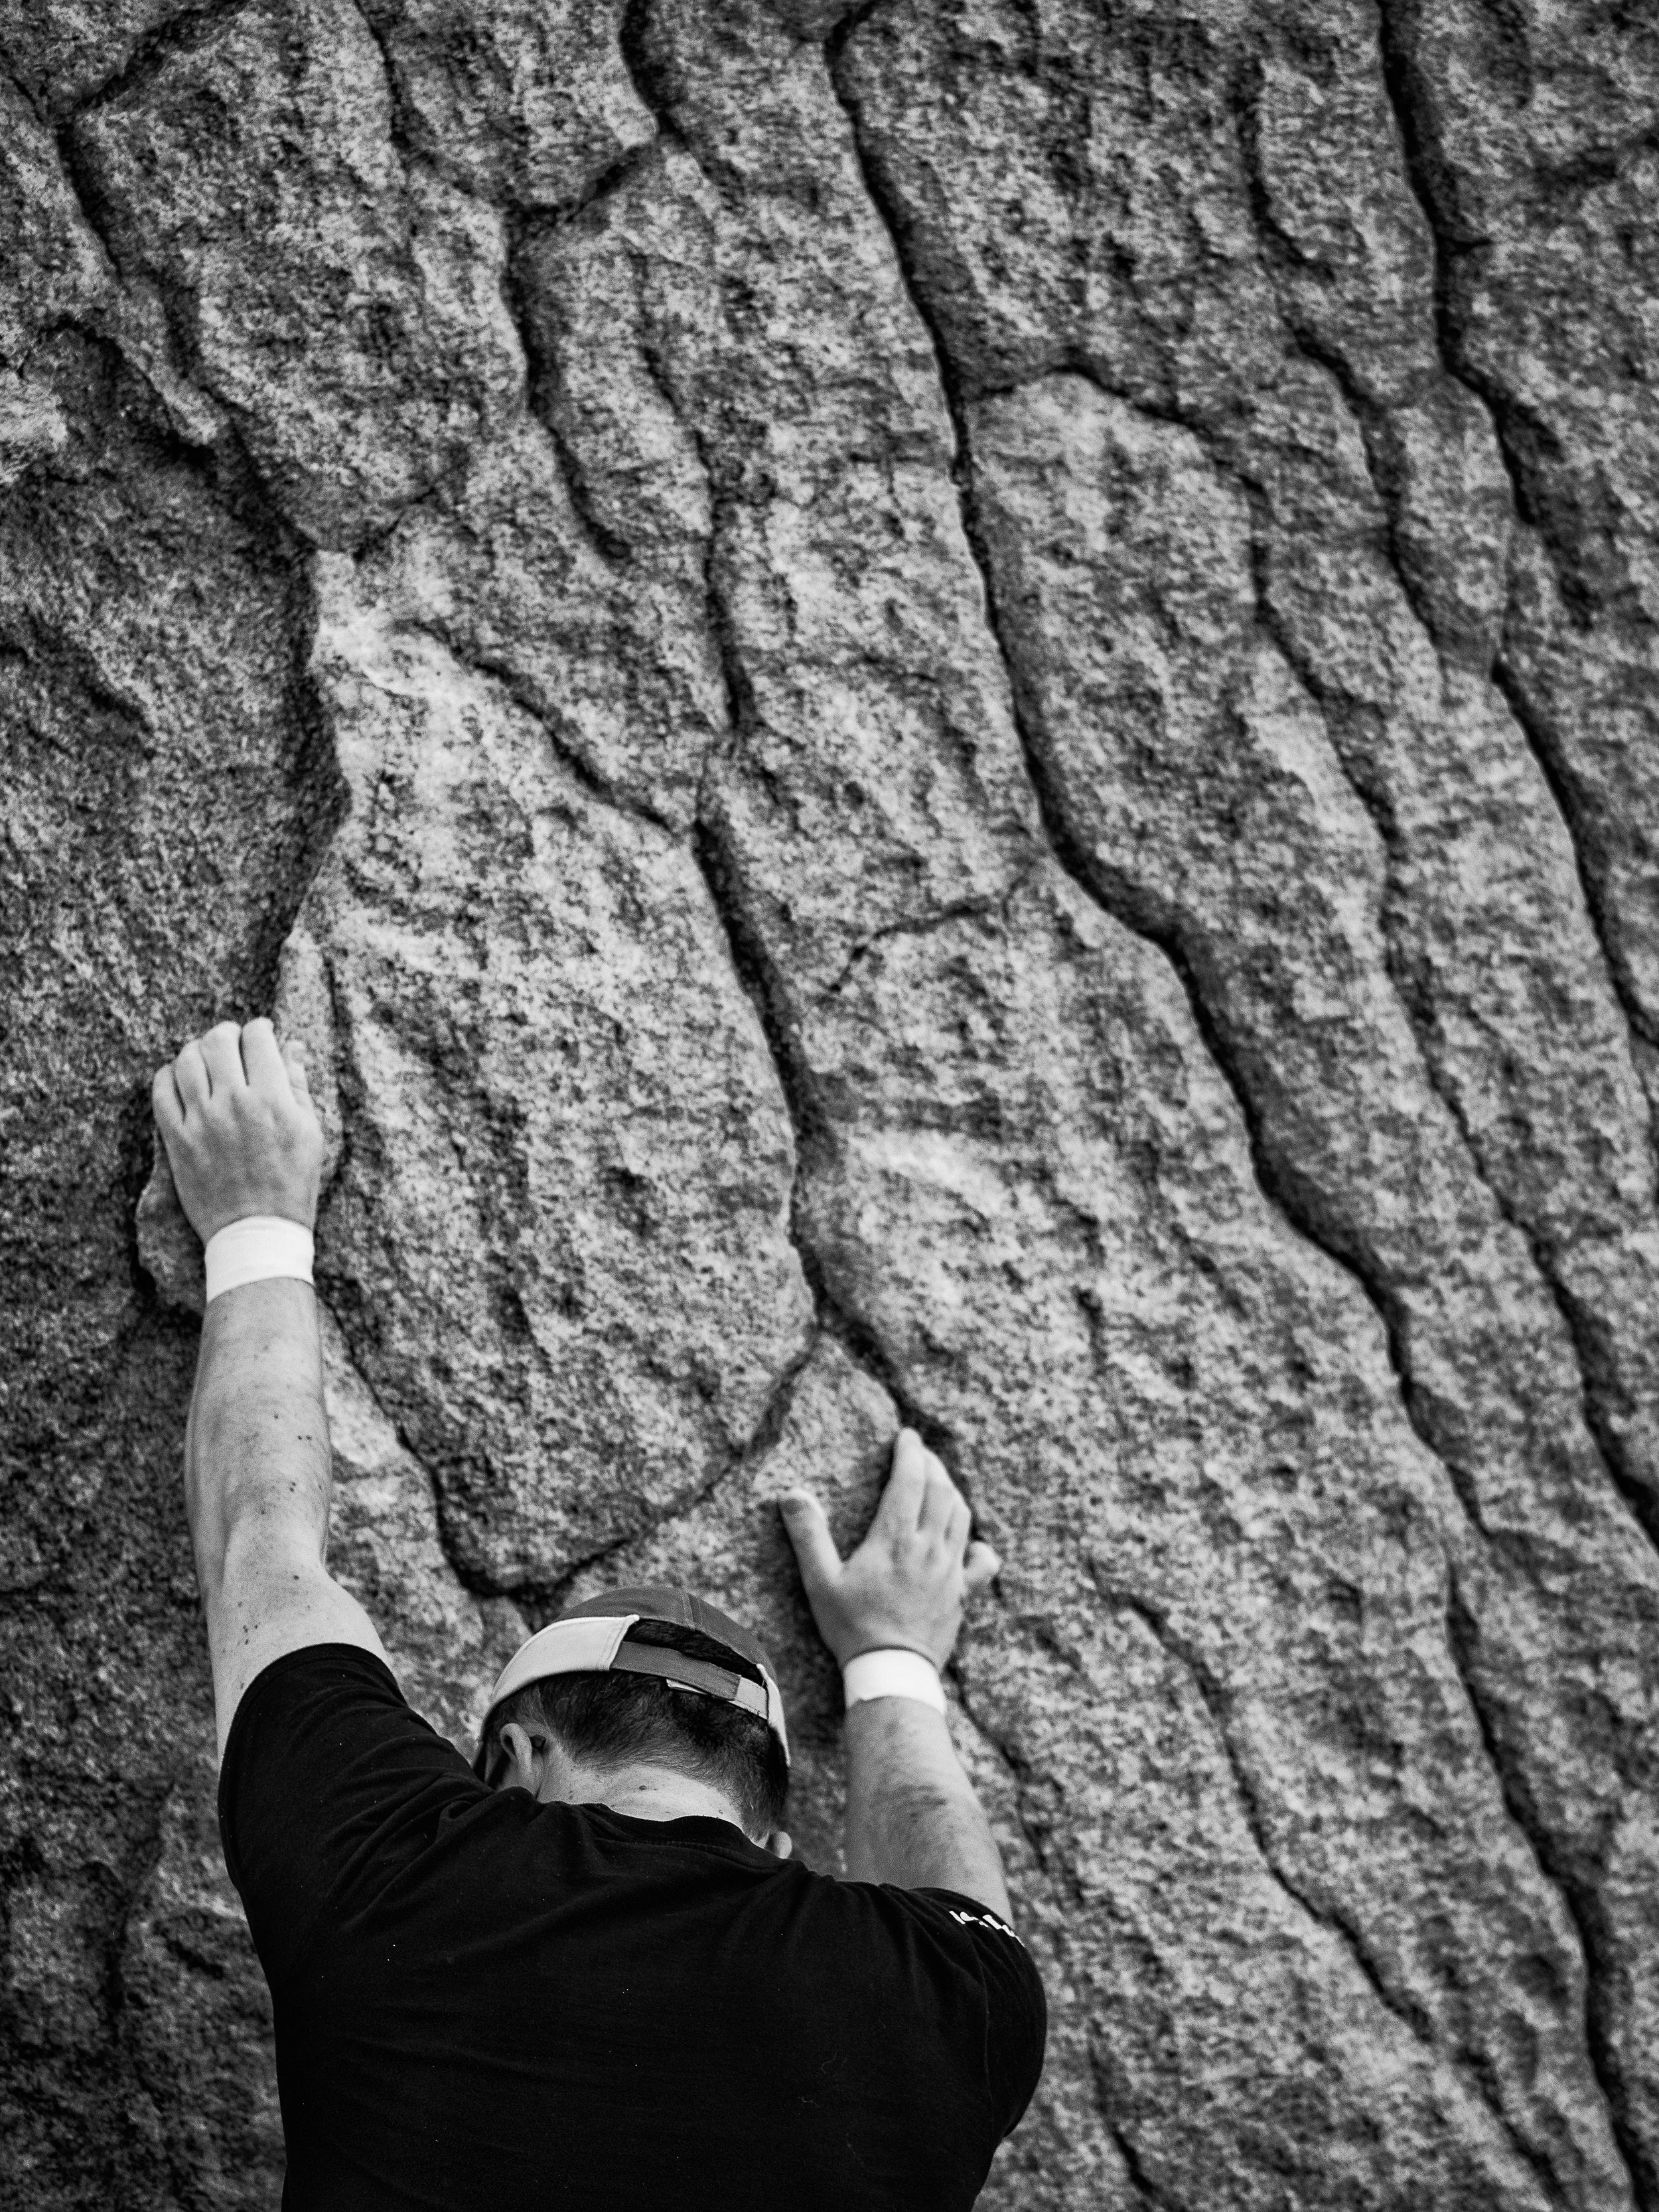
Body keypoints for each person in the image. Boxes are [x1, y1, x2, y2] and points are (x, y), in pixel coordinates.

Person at [151, 1016, 1046, 2211]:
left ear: (515, 1765)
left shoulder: (403, 1875)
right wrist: (893, 1662)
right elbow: (955, 1901)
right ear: (778, 1849)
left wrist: (254, 1216)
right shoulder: (952, 2009)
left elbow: (262, 1542)